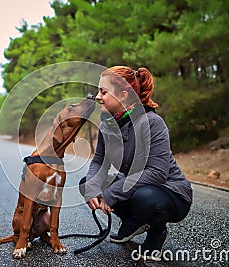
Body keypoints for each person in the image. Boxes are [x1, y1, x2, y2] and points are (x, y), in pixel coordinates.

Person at [79, 66, 193, 260]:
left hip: (170, 192)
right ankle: (133, 221)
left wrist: (111, 194)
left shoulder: (152, 122)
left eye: (103, 92)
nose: (98, 96)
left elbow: (157, 173)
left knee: (145, 198)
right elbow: (98, 162)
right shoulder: (107, 125)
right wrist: (92, 189)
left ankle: (157, 232)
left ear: (123, 95)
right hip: (137, 186)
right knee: (87, 182)